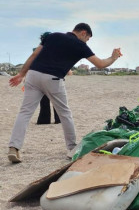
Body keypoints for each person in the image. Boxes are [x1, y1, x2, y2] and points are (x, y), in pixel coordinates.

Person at [7, 23, 122, 163]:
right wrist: (114, 57)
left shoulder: (52, 36)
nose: (86, 41)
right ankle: (72, 148)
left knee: (24, 112)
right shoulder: (80, 45)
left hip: (33, 75)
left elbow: (34, 54)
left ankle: (14, 147)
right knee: (65, 113)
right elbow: (100, 64)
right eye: (88, 38)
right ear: (83, 33)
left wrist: (21, 74)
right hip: (53, 78)